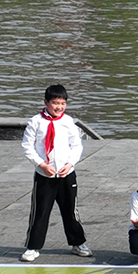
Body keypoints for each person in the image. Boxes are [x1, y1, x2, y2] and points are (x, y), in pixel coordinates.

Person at [23, 83, 91, 261]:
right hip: (45, 175)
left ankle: (78, 243)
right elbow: (27, 147)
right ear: (46, 102)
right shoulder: (36, 122)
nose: (59, 107)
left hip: (66, 174)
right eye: (55, 103)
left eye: (62, 103)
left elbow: (76, 146)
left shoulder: (68, 121)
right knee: (40, 211)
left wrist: (69, 164)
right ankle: (33, 246)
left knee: (71, 210)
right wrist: (41, 165)